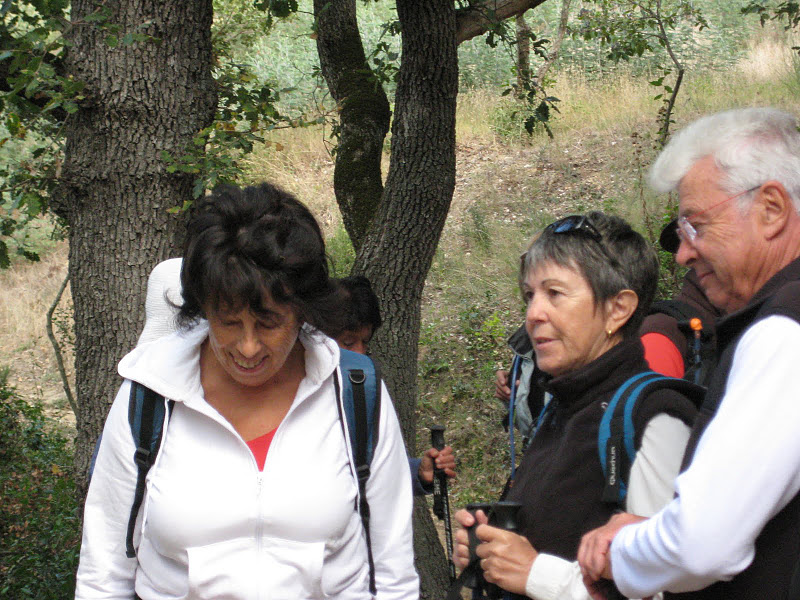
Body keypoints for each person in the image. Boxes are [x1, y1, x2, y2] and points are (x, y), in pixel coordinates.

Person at [75, 183, 419, 599]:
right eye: (229, 322)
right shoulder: (149, 395)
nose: (249, 347)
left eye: (270, 323)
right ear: (202, 308)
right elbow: (104, 575)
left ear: (303, 311)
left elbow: (393, 571)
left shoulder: (354, 393)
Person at [577, 107, 800, 599]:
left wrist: (623, 550)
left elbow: (702, 544)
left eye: (696, 225)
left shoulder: (782, 331)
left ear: (771, 209)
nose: (682, 253)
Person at [452, 212, 699, 600]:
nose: (534, 314)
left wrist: (536, 574)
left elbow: (670, 589)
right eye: (529, 295)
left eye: (555, 293)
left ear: (618, 309)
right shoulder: (562, 408)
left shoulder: (653, 417)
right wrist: (491, 552)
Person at [327, 275, 457, 495]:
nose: (359, 352)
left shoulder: (365, 389)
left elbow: (374, 466)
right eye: (348, 342)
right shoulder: (293, 393)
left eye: (365, 342)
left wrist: (418, 472)